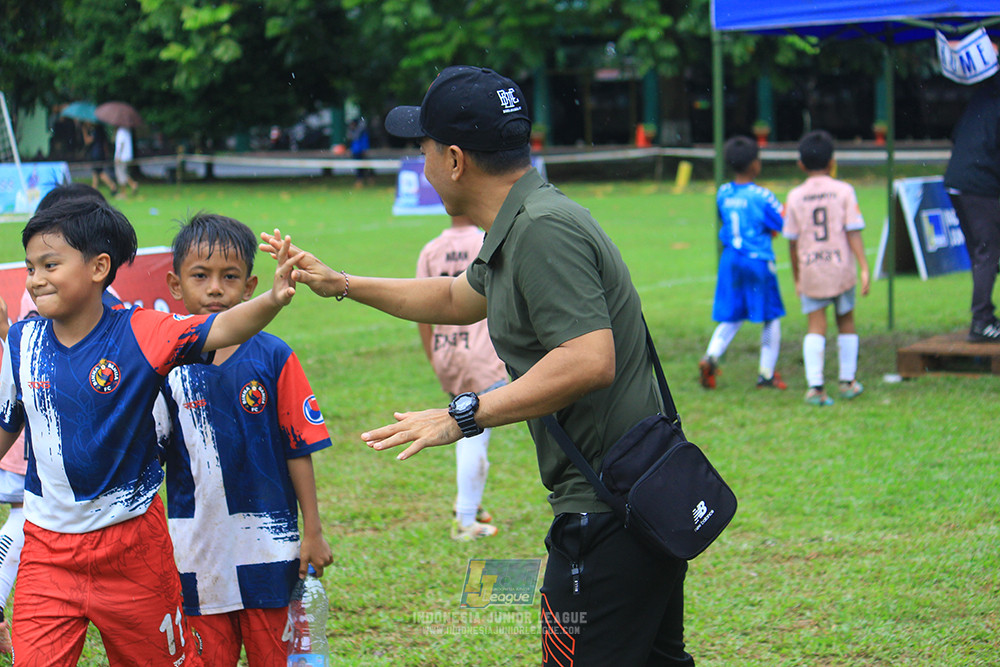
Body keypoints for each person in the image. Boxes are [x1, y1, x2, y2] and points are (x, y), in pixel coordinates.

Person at [262, 66, 695, 666]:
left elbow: (589, 358)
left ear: (456, 159)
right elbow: (450, 299)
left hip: (610, 512)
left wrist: (463, 415)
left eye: (425, 148)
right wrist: (341, 283)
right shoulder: (521, 223)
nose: (422, 161)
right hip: (626, 500)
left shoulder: (541, 230)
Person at [0, 197, 301, 666]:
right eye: (30, 266)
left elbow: (218, 328)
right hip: (46, 551)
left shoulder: (141, 332)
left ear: (99, 267)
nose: (34, 279)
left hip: (132, 549)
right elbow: (5, 430)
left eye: (49, 264)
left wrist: (274, 298)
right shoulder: (21, 343)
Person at [155, 213, 334, 666]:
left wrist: (311, 530)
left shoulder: (274, 357)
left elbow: (299, 447)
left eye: (229, 276)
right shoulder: (162, 365)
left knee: (272, 656)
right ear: (176, 285)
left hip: (269, 549)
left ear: (250, 286)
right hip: (195, 551)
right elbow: (147, 459)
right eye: (201, 276)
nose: (215, 288)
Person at [416, 215, 507, 541]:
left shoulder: (431, 249)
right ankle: (466, 518)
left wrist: (432, 355)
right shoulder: (488, 239)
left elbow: (421, 309)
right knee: (474, 429)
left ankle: (471, 504)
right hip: (483, 352)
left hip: (447, 351)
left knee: (466, 419)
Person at [783, 130, 870, 407]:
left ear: (801, 164)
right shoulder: (844, 191)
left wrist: (797, 277)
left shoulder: (795, 196)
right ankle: (847, 381)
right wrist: (864, 267)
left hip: (811, 269)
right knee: (846, 321)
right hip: (840, 268)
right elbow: (853, 231)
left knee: (815, 326)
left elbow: (793, 243)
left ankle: (815, 387)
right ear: (833, 161)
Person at [699, 135, 787, 390]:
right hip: (757, 260)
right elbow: (782, 223)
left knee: (733, 315)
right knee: (771, 316)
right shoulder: (763, 196)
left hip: (730, 259)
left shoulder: (723, 192)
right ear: (755, 165)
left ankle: (711, 356)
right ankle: (766, 374)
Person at [943, 69, 1000, 342]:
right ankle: (981, 321)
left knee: (983, 252)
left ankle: (983, 316)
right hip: (979, 185)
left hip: (958, 180)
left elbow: (955, 135)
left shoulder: (983, 96)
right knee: (988, 250)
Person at [82, 122, 118, 195]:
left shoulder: (96, 131)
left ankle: (112, 186)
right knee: (95, 173)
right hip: (98, 153)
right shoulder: (99, 130)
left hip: (96, 154)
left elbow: (87, 141)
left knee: (99, 172)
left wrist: (84, 131)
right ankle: (94, 189)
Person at [347, 118, 374, 187]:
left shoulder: (361, 131)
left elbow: (364, 141)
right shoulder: (353, 131)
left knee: (365, 166)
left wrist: (364, 149)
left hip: (361, 151)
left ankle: (368, 179)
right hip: (356, 151)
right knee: (359, 167)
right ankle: (360, 180)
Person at [114, 125, 139, 196]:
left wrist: (117, 156)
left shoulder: (120, 132)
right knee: (124, 173)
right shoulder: (127, 130)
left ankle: (123, 192)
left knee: (121, 174)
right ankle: (133, 184)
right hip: (127, 156)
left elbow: (120, 145)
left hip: (122, 157)